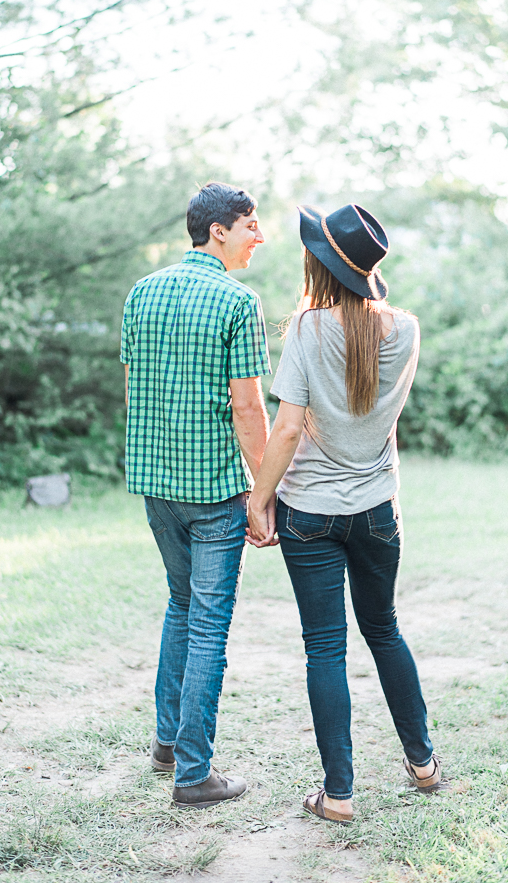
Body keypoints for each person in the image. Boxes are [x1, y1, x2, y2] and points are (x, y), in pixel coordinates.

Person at [247, 203, 440, 822]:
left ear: (322, 265)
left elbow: (286, 429)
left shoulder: (305, 329)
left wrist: (259, 499)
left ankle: (339, 796)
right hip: (378, 506)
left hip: (310, 511)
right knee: (383, 627)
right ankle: (424, 765)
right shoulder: (405, 330)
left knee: (325, 648)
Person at [121, 182, 272, 809]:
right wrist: (263, 494)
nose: (258, 236)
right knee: (208, 622)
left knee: (181, 604)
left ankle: (165, 743)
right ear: (217, 231)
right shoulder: (239, 301)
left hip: (156, 486)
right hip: (213, 493)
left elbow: (134, 390)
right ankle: (193, 773)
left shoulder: (140, 293)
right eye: (249, 225)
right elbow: (248, 405)